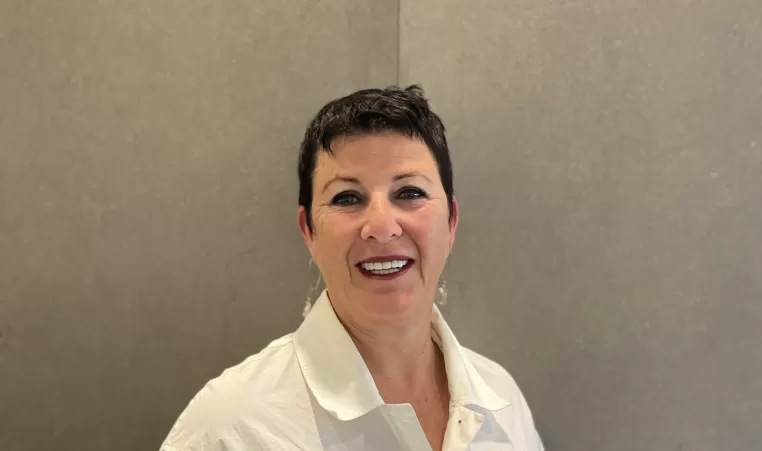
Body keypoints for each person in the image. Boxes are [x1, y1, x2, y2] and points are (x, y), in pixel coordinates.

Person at [160, 86, 544, 450]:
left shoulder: (504, 404)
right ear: (308, 230)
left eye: (409, 192)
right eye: (347, 197)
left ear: (452, 221)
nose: (381, 227)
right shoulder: (231, 428)